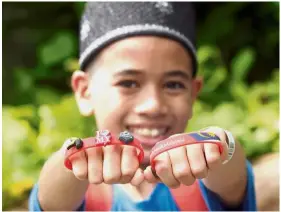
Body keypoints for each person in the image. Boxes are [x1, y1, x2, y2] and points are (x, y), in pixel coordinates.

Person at [28, 2, 257, 211]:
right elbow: (53, 198)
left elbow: (231, 173)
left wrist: (218, 144)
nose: (153, 106)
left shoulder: (207, 180)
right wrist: (73, 158)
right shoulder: (79, 194)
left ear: (193, 93)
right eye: (128, 83)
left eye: (173, 85)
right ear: (84, 91)